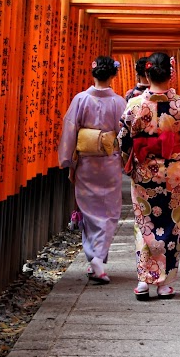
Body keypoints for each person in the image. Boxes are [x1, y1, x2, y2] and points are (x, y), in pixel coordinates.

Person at [118, 52, 180, 300]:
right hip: (174, 174)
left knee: (145, 222)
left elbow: (123, 140)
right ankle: (164, 283)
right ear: (171, 73)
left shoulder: (134, 105)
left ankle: (143, 280)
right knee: (172, 224)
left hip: (144, 172)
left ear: (146, 74)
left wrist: (127, 163)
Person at [58, 56, 127, 284]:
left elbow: (70, 131)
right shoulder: (119, 102)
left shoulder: (80, 100)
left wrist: (67, 161)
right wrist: (129, 161)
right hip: (109, 163)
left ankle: (95, 259)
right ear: (113, 75)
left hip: (86, 164)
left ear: (93, 73)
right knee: (110, 212)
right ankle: (98, 258)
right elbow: (125, 135)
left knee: (89, 212)